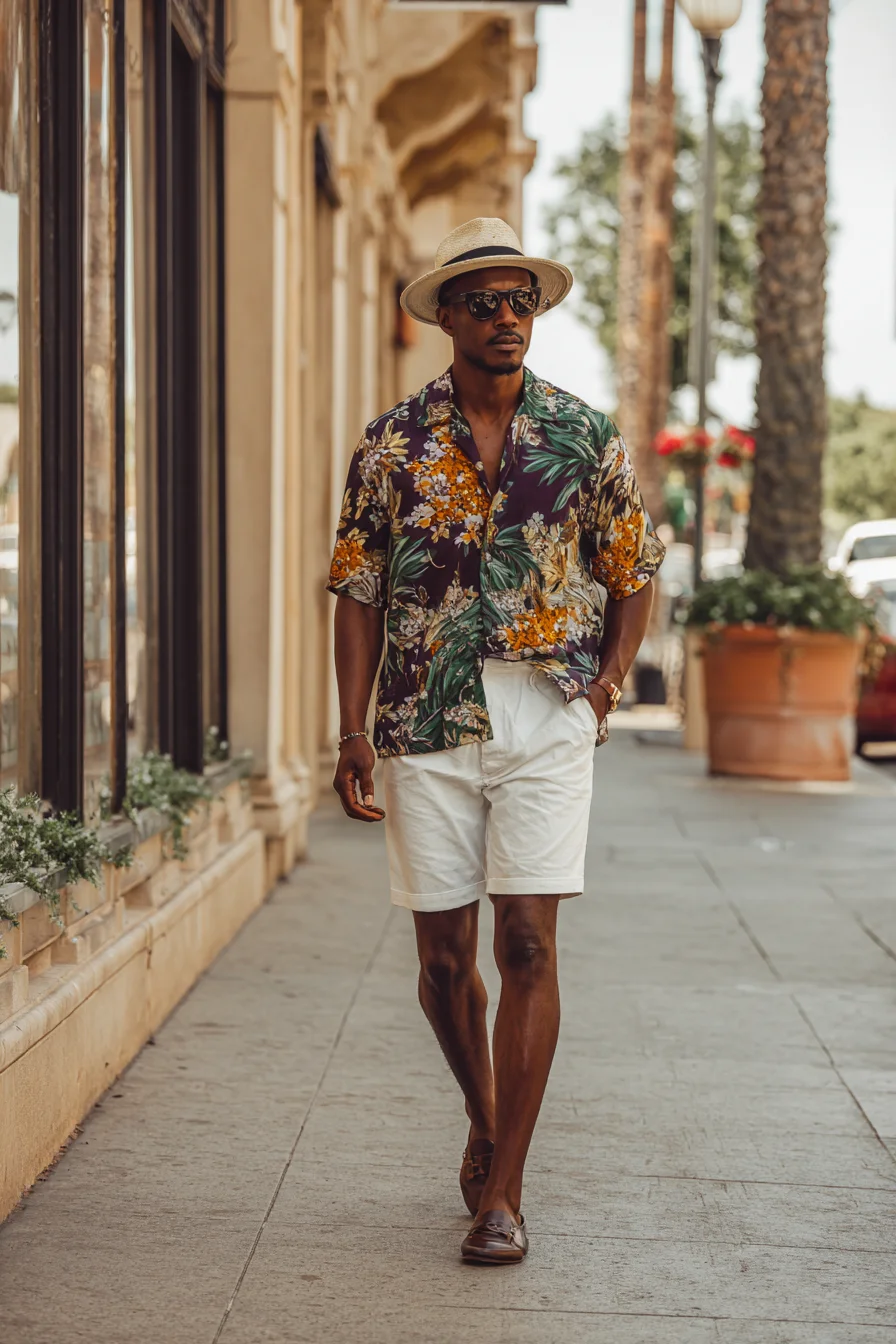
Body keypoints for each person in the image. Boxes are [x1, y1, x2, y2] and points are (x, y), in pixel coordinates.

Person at [327, 218, 664, 1265]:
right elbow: (355, 589)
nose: (508, 318)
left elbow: (633, 565)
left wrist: (605, 684)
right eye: (485, 302)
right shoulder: (390, 444)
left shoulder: (579, 434)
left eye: (521, 301)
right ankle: (482, 1114)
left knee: (524, 942)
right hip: (424, 711)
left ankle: (503, 1192)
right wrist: (349, 728)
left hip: (544, 710)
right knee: (441, 961)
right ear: (444, 316)